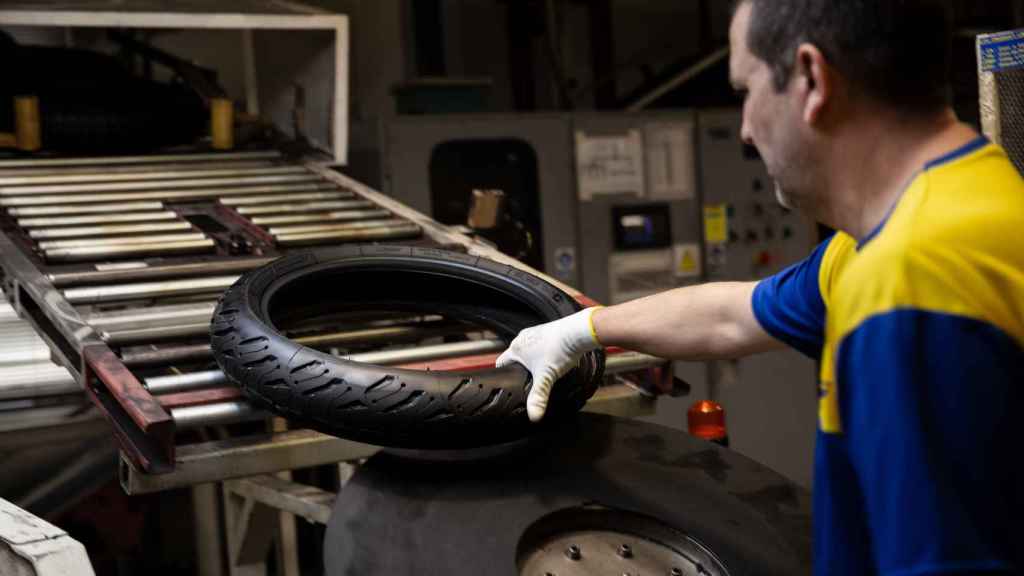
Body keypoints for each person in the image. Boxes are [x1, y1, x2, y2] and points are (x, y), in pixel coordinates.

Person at [496, 0, 1024, 574]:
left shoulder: (908, 281)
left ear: (811, 79)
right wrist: (582, 329)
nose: (745, 131)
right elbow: (732, 315)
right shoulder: (958, 201)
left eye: (746, 91)